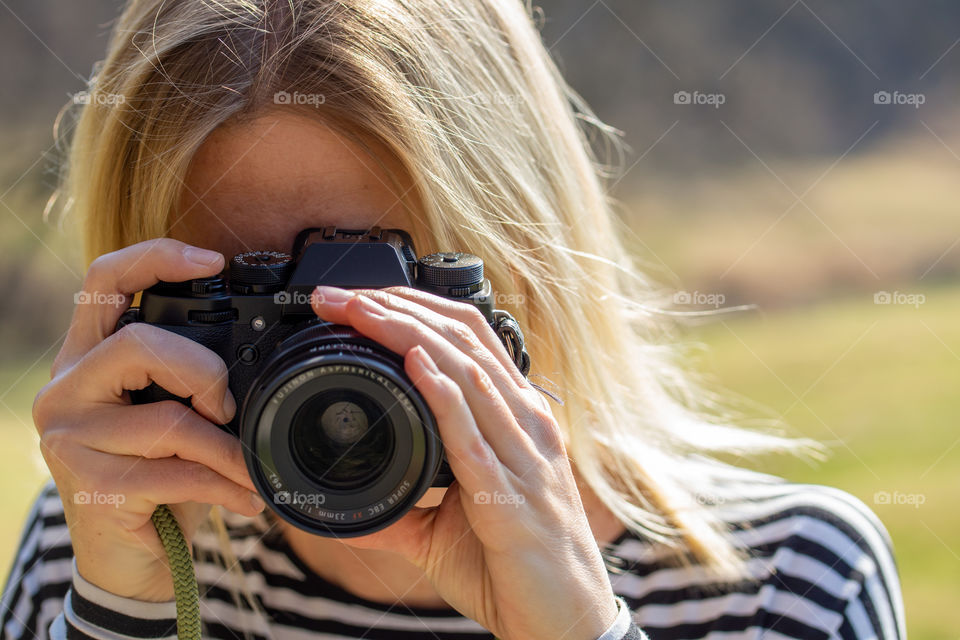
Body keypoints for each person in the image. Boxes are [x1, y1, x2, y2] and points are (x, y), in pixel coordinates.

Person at [2, 1, 904, 639]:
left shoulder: (788, 585)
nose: (323, 372)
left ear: (520, 262)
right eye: (255, 305)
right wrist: (125, 616)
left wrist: (579, 630)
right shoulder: (102, 540)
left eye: (383, 298)